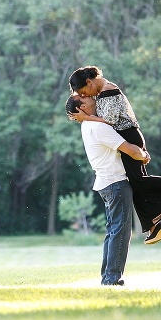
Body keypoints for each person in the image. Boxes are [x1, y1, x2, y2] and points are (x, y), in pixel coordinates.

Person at [68, 66, 161, 244]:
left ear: (89, 82)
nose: (87, 95)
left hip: (128, 136)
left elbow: (110, 122)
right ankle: (154, 226)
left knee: (138, 182)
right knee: (136, 184)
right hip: (127, 137)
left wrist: (87, 118)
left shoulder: (108, 91)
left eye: (84, 92)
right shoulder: (101, 93)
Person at [65, 94, 150, 286]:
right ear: (82, 107)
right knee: (120, 232)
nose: (90, 96)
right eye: (84, 97)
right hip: (116, 183)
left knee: (114, 231)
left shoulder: (88, 125)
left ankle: (108, 277)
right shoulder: (98, 128)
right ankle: (112, 278)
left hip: (107, 183)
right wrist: (143, 155)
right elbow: (130, 150)